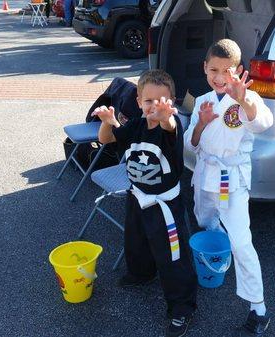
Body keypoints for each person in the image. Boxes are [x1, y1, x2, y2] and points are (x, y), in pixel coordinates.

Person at [92, 70, 197, 337]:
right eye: (149, 101)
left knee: (173, 256)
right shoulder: (135, 126)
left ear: (171, 102)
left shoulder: (172, 128)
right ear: (138, 102)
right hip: (138, 197)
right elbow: (107, 138)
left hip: (165, 206)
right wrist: (108, 121)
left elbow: (169, 126)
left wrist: (167, 118)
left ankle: (182, 306)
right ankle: (141, 273)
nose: (155, 107)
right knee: (137, 241)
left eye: (162, 101)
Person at [183, 39, 274, 336]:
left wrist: (244, 99)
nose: (220, 77)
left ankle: (258, 307)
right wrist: (200, 124)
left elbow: (263, 123)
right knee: (205, 222)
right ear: (205, 68)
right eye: (214, 70)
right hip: (205, 176)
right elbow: (190, 144)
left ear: (238, 71)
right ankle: (211, 265)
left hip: (231, 181)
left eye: (227, 71)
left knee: (241, 241)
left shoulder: (248, 98)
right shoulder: (201, 102)